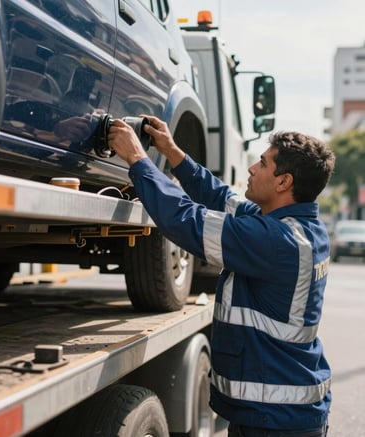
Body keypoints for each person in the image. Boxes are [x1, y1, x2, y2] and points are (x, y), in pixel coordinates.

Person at [107, 116, 335, 437]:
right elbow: (221, 197)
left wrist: (138, 160)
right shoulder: (298, 227)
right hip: (280, 412)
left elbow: (185, 220)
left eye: (263, 163)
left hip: (274, 420)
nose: (252, 169)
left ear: (283, 182)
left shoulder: (276, 241)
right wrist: (173, 153)